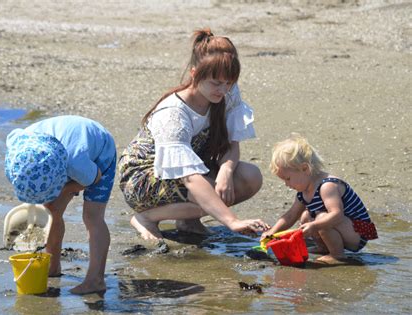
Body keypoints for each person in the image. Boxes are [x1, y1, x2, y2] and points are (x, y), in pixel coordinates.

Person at [118, 28, 269, 241]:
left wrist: (226, 171)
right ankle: (146, 218)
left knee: (249, 177)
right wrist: (232, 221)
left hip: (192, 170)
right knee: (207, 193)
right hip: (145, 178)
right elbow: (190, 178)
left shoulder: (226, 93)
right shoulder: (173, 113)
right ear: (195, 74)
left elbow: (231, 144)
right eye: (216, 83)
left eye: (228, 83)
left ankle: (188, 221)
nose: (223, 90)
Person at [5, 115, 116, 295]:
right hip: (58, 152)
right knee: (51, 210)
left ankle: (96, 280)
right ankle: (52, 266)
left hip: (100, 153)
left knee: (92, 217)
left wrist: (65, 190)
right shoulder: (18, 148)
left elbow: (93, 179)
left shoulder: (76, 163)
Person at [262, 134, 378, 263]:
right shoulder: (303, 192)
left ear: (305, 169)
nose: (286, 184)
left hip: (358, 232)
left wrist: (314, 226)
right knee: (306, 216)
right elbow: (290, 216)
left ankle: (337, 254)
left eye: (288, 178)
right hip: (343, 228)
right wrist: (271, 233)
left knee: (321, 218)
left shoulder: (327, 185)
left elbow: (337, 215)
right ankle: (324, 248)